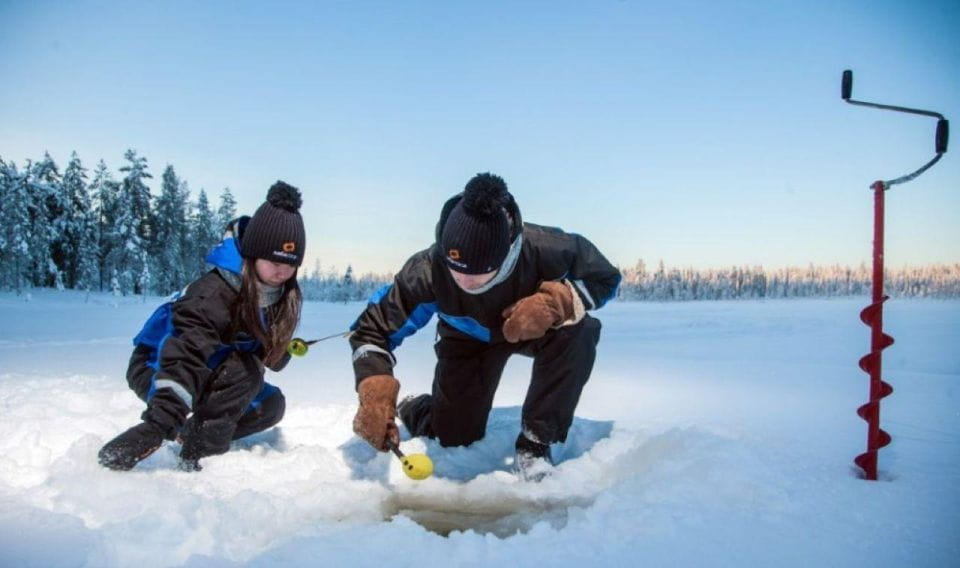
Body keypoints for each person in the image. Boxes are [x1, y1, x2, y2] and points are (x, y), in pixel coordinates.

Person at [350, 173, 620, 479]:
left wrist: (554, 303)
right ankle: (419, 408)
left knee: (580, 331)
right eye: (455, 268)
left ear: (506, 255)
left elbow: (605, 278)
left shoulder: (549, 248)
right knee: (454, 436)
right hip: (467, 338)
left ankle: (536, 443)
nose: (464, 281)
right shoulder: (426, 272)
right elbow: (370, 331)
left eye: (480, 272)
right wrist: (373, 389)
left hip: (533, 328)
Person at [98, 181, 306, 471]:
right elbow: (185, 355)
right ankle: (198, 454)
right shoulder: (211, 296)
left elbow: (251, 343)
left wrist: (278, 347)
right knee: (245, 371)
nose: (281, 270)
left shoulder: (272, 292)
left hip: (214, 368)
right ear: (253, 253)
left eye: (290, 263)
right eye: (272, 260)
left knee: (269, 406)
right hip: (159, 367)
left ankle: (190, 435)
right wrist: (159, 424)